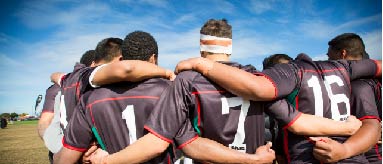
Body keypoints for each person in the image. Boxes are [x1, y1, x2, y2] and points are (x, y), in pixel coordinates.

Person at [88, 19, 363, 164]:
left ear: (201, 49)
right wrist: (347, 127)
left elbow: (169, 142)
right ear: (229, 48)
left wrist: (109, 161)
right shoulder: (255, 77)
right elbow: (297, 121)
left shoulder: (187, 81)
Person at [174, 41, 381, 163]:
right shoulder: (344, 69)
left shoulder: (290, 76)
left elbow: (261, 90)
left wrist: (202, 64)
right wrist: (348, 129)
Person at [54, 31, 179, 164]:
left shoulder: (90, 98)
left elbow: (66, 158)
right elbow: (189, 143)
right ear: (153, 58)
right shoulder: (171, 90)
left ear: (122, 58)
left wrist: (59, 157)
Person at [310, 33, 381, 163]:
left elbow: (372, 126)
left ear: (342, 54)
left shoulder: (359, 85)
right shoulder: (372, 78)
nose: (328, 61)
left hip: (371, 156)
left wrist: (344, 150)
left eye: (329, 56)